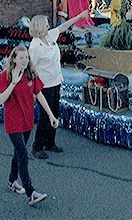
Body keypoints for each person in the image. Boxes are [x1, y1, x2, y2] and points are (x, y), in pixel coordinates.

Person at [0, 46, 56, 205]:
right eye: (21, 58)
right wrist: (13, 83)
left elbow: (39, 95)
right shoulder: (6, 76)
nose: (25, 61)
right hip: (13, 121)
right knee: (23, 154)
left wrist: (51, 115)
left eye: (26, 57)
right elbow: (1, 99)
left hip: (27, 121)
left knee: (18, 153)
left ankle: (11, 181)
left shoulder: (31, 75)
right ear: (14, 59)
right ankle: (31, 193)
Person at [27, 11, 88, 160]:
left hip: (55, 81)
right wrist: (32, 90)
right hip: (44, 85)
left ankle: (50, 142)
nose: (49, 25)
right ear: (40, 27)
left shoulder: (49, 36)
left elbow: (64, 26)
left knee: (55, 111)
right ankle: (37, 146)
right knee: (46, 116)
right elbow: (30, 69)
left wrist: (79, 16)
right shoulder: (34, 46)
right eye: (46, 24)